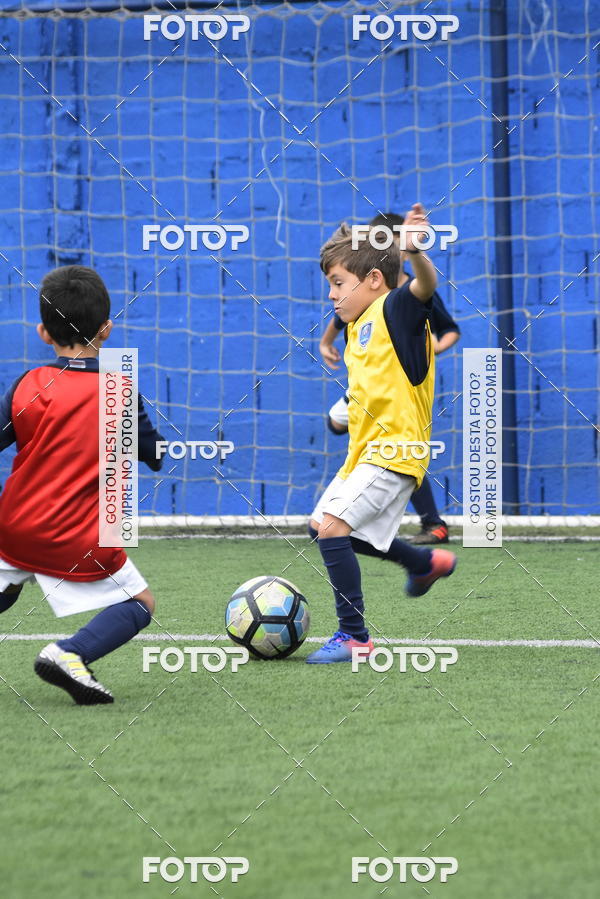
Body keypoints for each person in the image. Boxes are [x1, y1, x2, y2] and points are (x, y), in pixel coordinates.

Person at [0, 265, 164, 704]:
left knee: (8, 580)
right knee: (140, 603)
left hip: (14, 529)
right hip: (76, 540)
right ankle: (68, 654)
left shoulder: (26, 385)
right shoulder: (118, 390)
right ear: (107, 330)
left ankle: (12, 582)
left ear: (42, 333)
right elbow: (154, 455)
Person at [307, 204, 457, 664]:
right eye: (329, 284)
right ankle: (424, 563)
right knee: (320, 529)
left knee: (333, 527)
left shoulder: (395, 309)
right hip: (364, 454)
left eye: (337, 284)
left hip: (395, 452)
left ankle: (355, 636)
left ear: (373, 279)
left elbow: (424, 287)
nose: (331, 295)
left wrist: (413, 253)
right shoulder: (356, 328)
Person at [319, 211, 460, 545]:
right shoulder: (358, 302)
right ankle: (417, 556)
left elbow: (448, 327)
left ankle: (432, 521)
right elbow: (340, 317)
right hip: (365, 390)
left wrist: (422, 351)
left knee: (396, 446)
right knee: (335, 423)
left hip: (395, 392)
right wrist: (325, 342)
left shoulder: (403, 295)